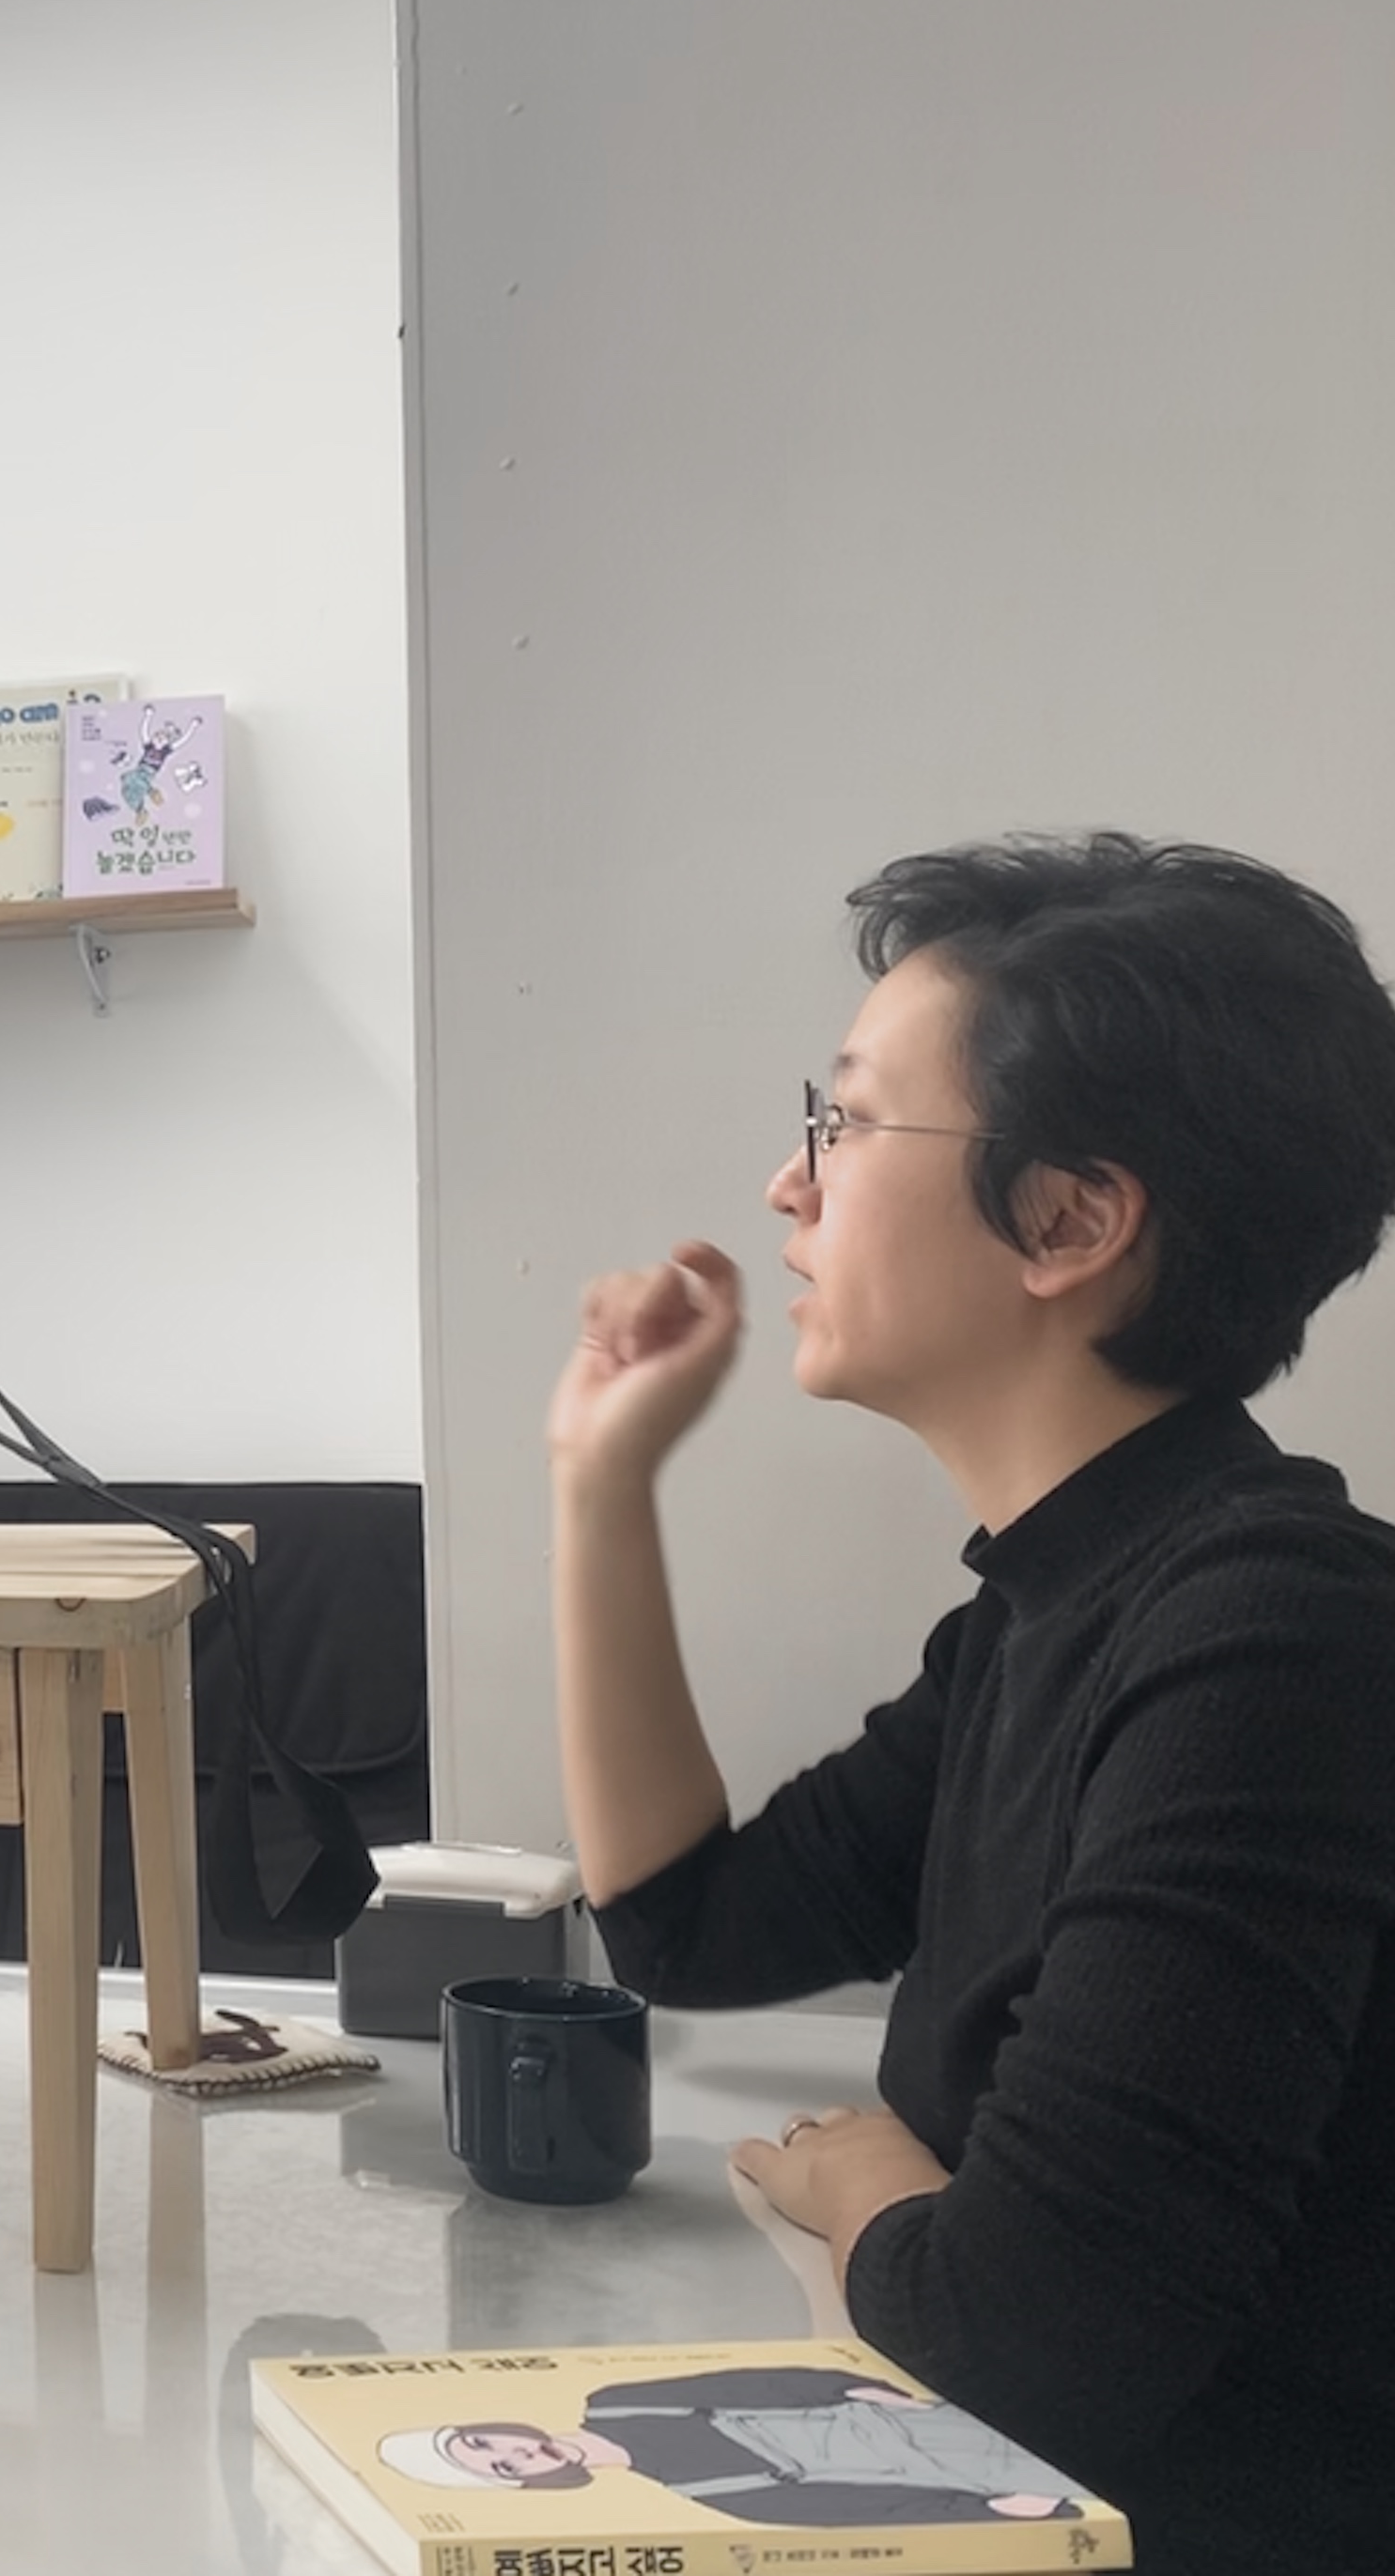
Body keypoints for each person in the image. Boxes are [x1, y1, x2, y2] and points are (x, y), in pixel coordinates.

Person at [549, 833, 1395, 2568]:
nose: (788, 1187)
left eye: (846, 1123)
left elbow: (1027, 2348)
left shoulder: (1272, 1636)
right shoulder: (1050, 1605)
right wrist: (598, 1485)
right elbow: (686, 1927)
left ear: (1068, 1220)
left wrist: (860, 2174)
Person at [382, 2362, 1091, 2524]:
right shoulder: (722, 2502)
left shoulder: (618, 2401)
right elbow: (877, 2511)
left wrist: (855, 2389)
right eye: (499, 2469)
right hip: (980, 2481)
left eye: (485, 2442)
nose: (515, 2455)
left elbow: (761, 2379)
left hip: (936, 2407)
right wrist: (999, 2511)